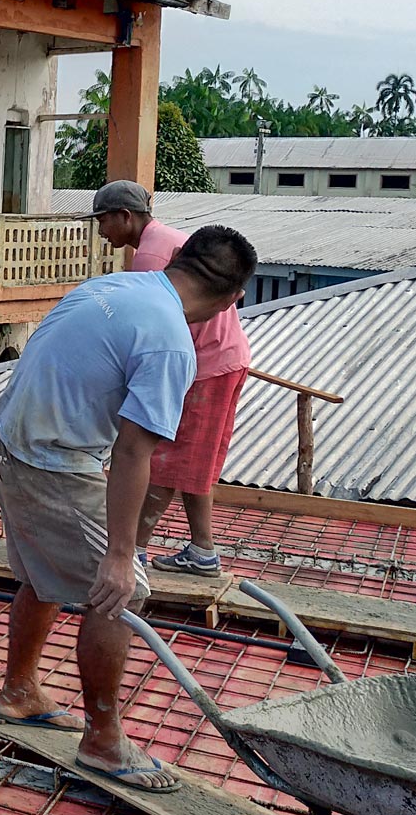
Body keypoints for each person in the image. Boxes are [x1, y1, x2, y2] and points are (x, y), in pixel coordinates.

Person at [0, 225, 255, 794]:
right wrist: (120, 553)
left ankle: (19, 692)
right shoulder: (170, 343)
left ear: (178, 258)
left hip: (13, 437)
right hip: (49, 460)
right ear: (233, 300)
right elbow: (136, 451)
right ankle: (104, 741)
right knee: (119, 590)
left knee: (44, 571)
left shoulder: (114, 286)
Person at [81, 180, 251, 575]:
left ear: (126, 216)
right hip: (220, 358)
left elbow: (150, 328)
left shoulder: (152, 255)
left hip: (204, 363)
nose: (101, 231)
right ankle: (203, 550)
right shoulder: (163, 241)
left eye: (104, 221)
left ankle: (133, 552)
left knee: (159, 458)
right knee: (195, 461)